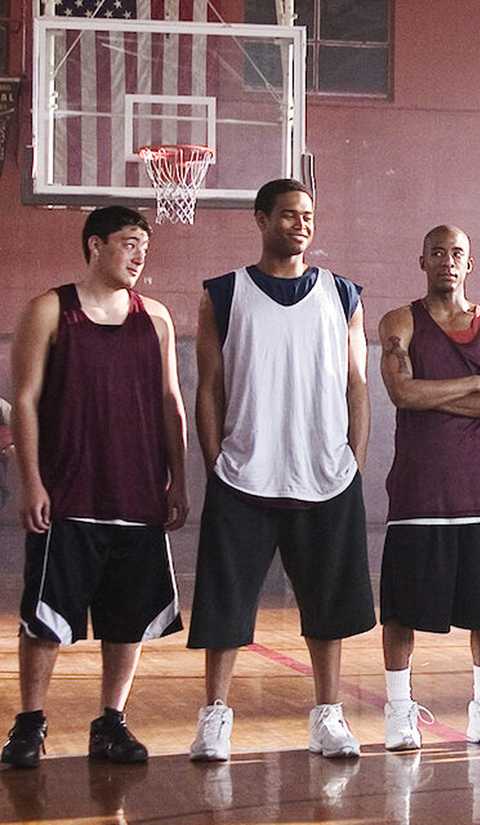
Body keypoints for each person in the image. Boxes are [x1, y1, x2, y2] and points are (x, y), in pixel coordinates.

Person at [188, 179, 376, 761]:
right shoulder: (223, 293)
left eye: (309, 216)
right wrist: (216, 459)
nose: (301, 224)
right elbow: (209, 386)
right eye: (290, 215)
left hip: (325, 473)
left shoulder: (343, 294)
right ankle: (215, 718)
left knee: (328, 606)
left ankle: (328, 717)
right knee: (225, 605)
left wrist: (355, 460)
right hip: (245, 474)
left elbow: (357, 385)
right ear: (261, 219)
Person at [1, 207, 188, 769]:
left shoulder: (155, 318)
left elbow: (170, 402)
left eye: (144, 248)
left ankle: (111, 722)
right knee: (46, 619)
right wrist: (31, 479)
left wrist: (177, 478)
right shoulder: (49, 310)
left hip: (136, 493)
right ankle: (29, 725)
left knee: (127, 617)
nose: (138, 256)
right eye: (128, 244)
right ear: (94, 245)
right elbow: (26, 402)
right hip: (70, 490)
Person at [378, 225, 480, 751]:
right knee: (401, 609)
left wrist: (434, 394)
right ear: (422, 260)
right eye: (437, 252)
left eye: (456, 253)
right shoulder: (400, 322)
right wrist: (472, 382)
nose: (447, 260)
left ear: (470, 262)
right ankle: (399, 712)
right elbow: (402, 393)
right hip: (420, 491)